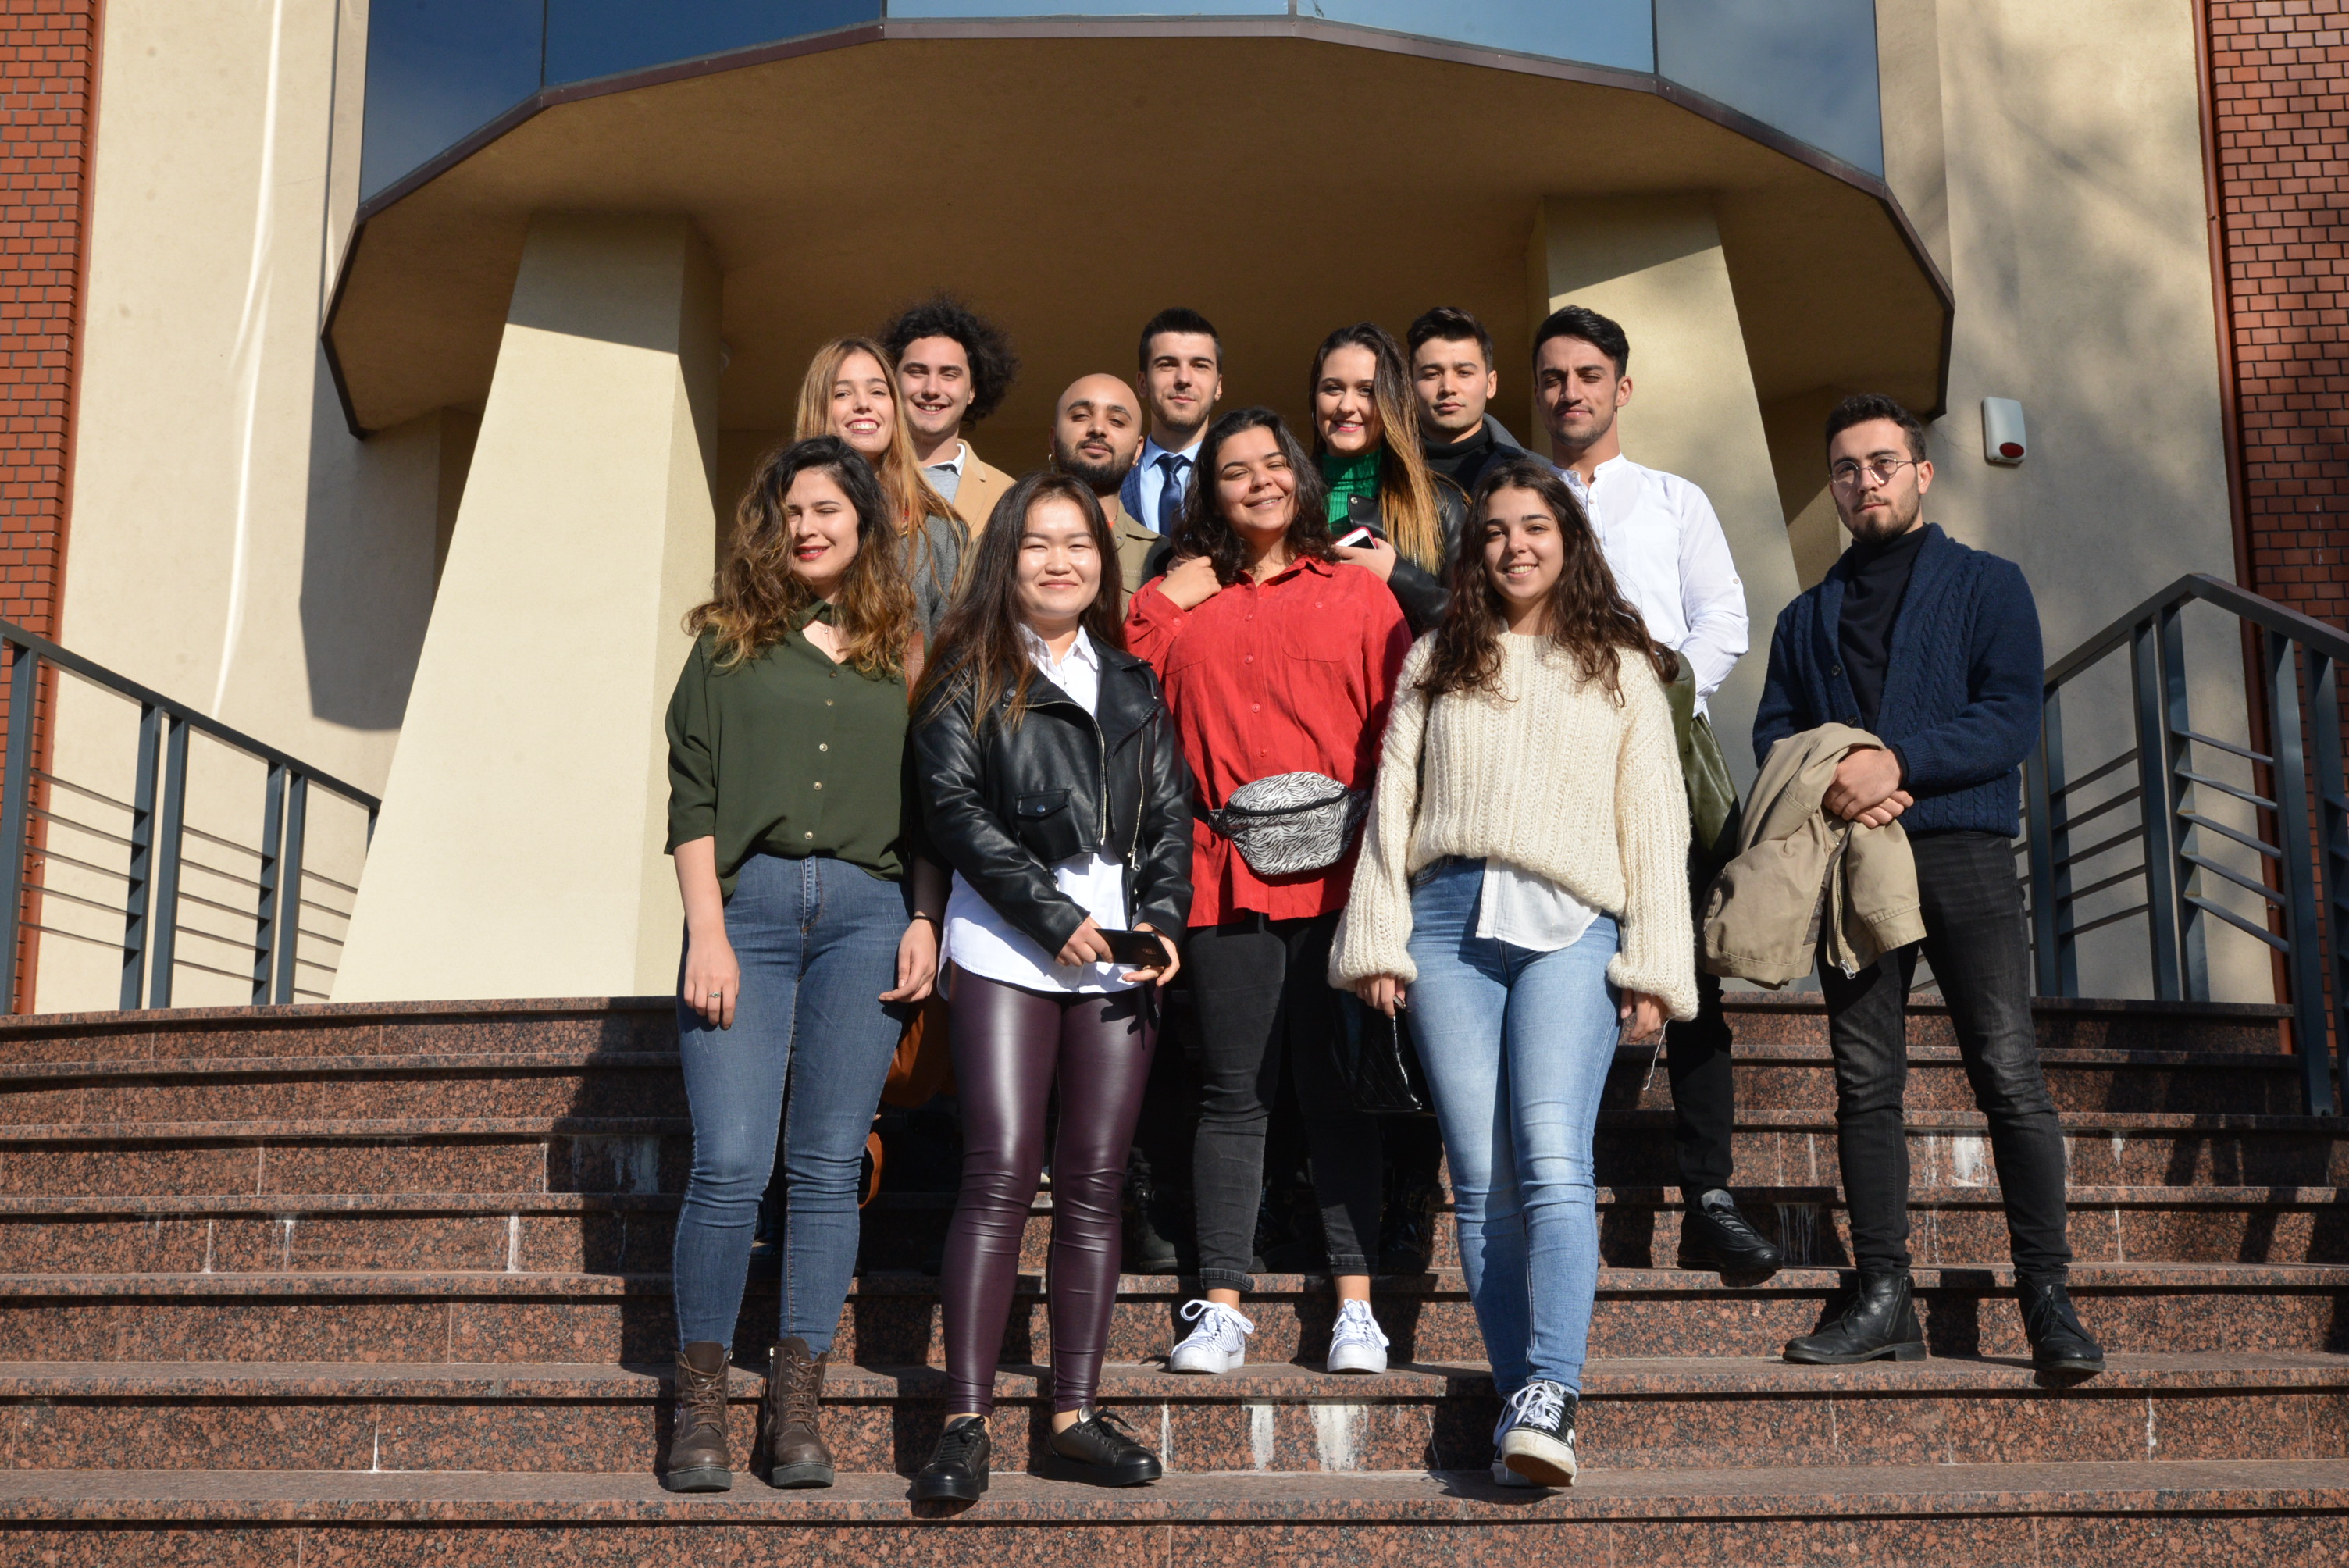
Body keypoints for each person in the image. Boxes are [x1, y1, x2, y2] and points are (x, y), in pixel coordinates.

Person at [1335, 456, 1695, 1488]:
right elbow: (1393, 799)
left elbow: (1654, 820)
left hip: (1571, 928)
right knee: (1480, 1178)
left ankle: (1553, 1386)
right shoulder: (1437, 655)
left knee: (1550, 1155)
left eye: (1534, 525)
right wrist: (1377, 935)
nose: (1513, 545)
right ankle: (1522, 1408)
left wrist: (1653, 963)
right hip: (1446, 927)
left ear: (1568, 539)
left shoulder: (1620, 665)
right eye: (1493, 530)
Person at [1756, 394, 2103, 1377]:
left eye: (1881, 463)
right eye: (1845, 469)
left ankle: (2047, 1299)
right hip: (1851, 861)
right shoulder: (1804, 617)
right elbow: (1774, 733)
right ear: (1832, 488)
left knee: (2006, 1070)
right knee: (1864, 1082)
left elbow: (2008, 717)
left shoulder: (1987, 583)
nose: (1863, 481)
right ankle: (1882, 1298)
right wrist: (1837, 778)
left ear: (1920, 472)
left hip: (1961, 852)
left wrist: (1895, 762)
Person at [660, 436, 950, 1494]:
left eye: (828, 509)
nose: (808, 527)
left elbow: (931, 806)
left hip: (870, 918)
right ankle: (698, 1407)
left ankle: (794, 1412)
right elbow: (692, 794)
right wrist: (707, 930)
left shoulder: (900, 649)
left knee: (828, 1165)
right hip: (749, 913)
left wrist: (925, 920)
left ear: (864, 523)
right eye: (791, 512)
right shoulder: (727, 643)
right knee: (731, 1160)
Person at [907, 471, 1195, 1499]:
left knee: (1094, 1182)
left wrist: (1162, 919)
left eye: (1078, 543)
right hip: (1005, 950)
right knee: (997, 1172)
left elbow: (1170, 816)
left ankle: (1073, 1411)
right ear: (1006, 557)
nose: (1059, 561)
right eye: (1037, 543)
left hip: (1118, 959)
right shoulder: (966, 674)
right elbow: (951, 810)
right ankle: (965, 1420)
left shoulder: (1132, 682)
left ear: (1101, 563)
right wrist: (1048, 915)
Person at [1127, 406, 1413, 1378]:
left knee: (1337, 1095)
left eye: (1271, 464)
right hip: (1223, 877)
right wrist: (1166, 600)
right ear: (1207, 493)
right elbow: (1116, 694)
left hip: (1340, 877)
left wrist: (1391, 881)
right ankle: (1218, 1306)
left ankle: (1356, 1307)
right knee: (1232, 1091)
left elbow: (1398, 736)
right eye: (1232, 470)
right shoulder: (1180, 599)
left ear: (1298, 474)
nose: (1257, 481)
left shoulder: (1358, 594)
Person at [1533, 303, 1779, 1281]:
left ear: (1620, 388)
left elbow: (1725, 617)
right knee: (1561, 961)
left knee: (1689, 981)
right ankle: (1554, 1190)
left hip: (1665, 760)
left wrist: (1661, 687)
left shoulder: (1676, 500)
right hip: (1550, 766)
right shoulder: (1518, 502)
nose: (1570, 392)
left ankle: (1707, 1194)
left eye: (1587, 375)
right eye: (1553, 377)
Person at [793, 336, 969, 637]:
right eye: (842, 394)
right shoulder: (781, 518)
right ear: (817, 407)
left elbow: (950, 652)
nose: (863, 404)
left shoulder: (937, 530)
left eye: (878, 391)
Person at [1309, 321, 1469, 632]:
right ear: (1314, 397)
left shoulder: (1441, 505)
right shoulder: (1283, 499)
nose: (1347, 406)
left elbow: (1474, 623)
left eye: (1367, 391)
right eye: (1333, 388)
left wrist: (1397, 575)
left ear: (1392, 401)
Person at [881, 296, 1021, 535]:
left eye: (949, 375)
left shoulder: (1009, 495)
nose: (932, 389)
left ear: (972, 390)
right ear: (893, 381)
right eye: (917, 372)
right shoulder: (857, 479)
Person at [1050, 372, 1159, 592]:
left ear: (1138, 450)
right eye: (1081, 416)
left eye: (1117, 421)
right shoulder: (1004, 541)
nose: (1098, 429)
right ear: (1053, 439)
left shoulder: (1162, 558)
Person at [1119, 308, 1224, 536]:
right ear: (1143, 383)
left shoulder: (1241, 477)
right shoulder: (1114, 477)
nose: (1184, 379)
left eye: (1200, 365)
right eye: (1167, 364)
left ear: (1218, 386)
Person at [1408, 305, 1527, 496]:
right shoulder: (1379, 475)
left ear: (1491, 384)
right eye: (1432, 374)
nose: (1448, 387)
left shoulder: (1537, 476)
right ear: (1409, 385)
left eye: (1464, 373)